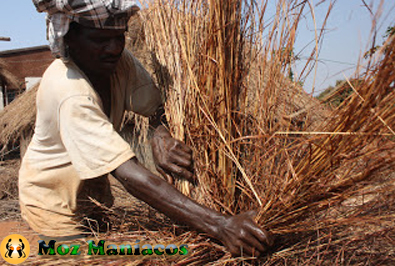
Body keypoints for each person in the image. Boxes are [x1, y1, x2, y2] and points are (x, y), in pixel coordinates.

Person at [20, 0, 273, 257]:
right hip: (54, 204)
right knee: (77, 258)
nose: (114, 48)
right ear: (69, 38)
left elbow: (156, 108)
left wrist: (160, 136)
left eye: (119, 37)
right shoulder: (69, 91)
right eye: (100, 40)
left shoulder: (119, 64)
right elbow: (128, 174)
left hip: (93, 198)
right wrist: (221, 225)